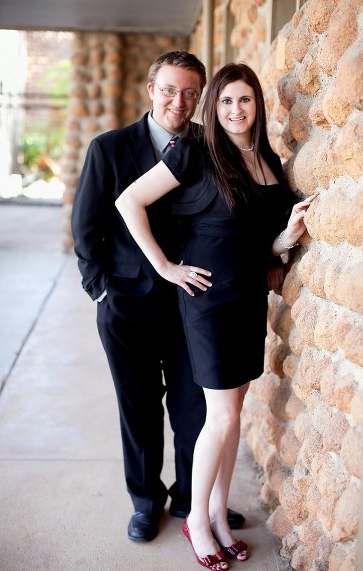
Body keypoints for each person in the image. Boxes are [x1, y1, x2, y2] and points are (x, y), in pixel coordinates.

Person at [116, 63, 316, 570]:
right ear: (214, 107)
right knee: (222, 416)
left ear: (258, 105)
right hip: (207, 301)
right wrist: (165, 267)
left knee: (233, 417)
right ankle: (197, 521)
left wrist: (288, 237)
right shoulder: (197, 153)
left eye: (244, 100)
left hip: (249, 297)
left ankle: (219, 518)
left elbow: (259, 244)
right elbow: (129, 200)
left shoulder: (268, 161)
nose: (235, 110)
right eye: (225, 101)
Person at [72, 50, 245, 542]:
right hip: (127, 303)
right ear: (152, 90)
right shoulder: (109, 148)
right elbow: (86, 229)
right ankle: (146, 503)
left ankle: (194, 499)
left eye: (191, 92)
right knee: (139, 407)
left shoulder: (209, 147)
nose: (179, 101)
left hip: (191, 304)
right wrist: (100, 290)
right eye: (170, 89)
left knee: (195, 407)